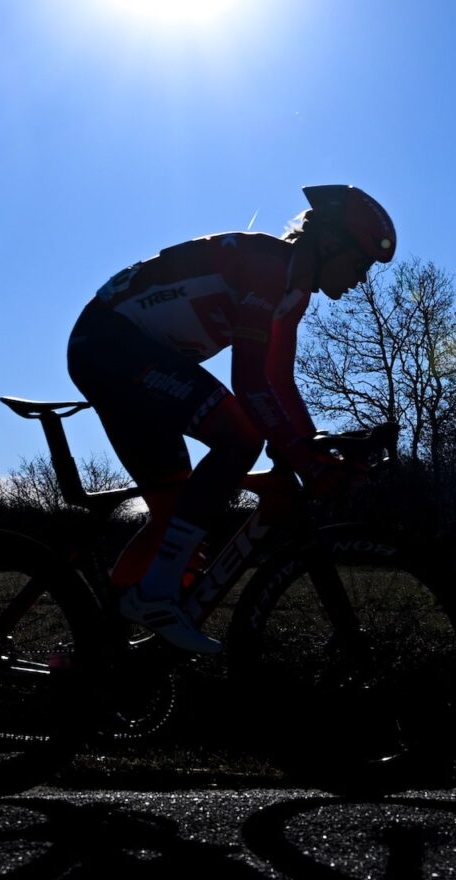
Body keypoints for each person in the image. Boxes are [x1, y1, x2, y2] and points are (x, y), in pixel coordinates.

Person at [66, 184, 395, 654]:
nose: (362, 279)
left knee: (173, 516)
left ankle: (101, 648)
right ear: (327, 243)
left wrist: (311, 446)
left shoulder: (293, 292)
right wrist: (303, 458)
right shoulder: (269, 269)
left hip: (127, 352)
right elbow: (251, 385)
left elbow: (279, 381)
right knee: (240, 435)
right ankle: (156, 596)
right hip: (109, 344)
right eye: (361, 263)